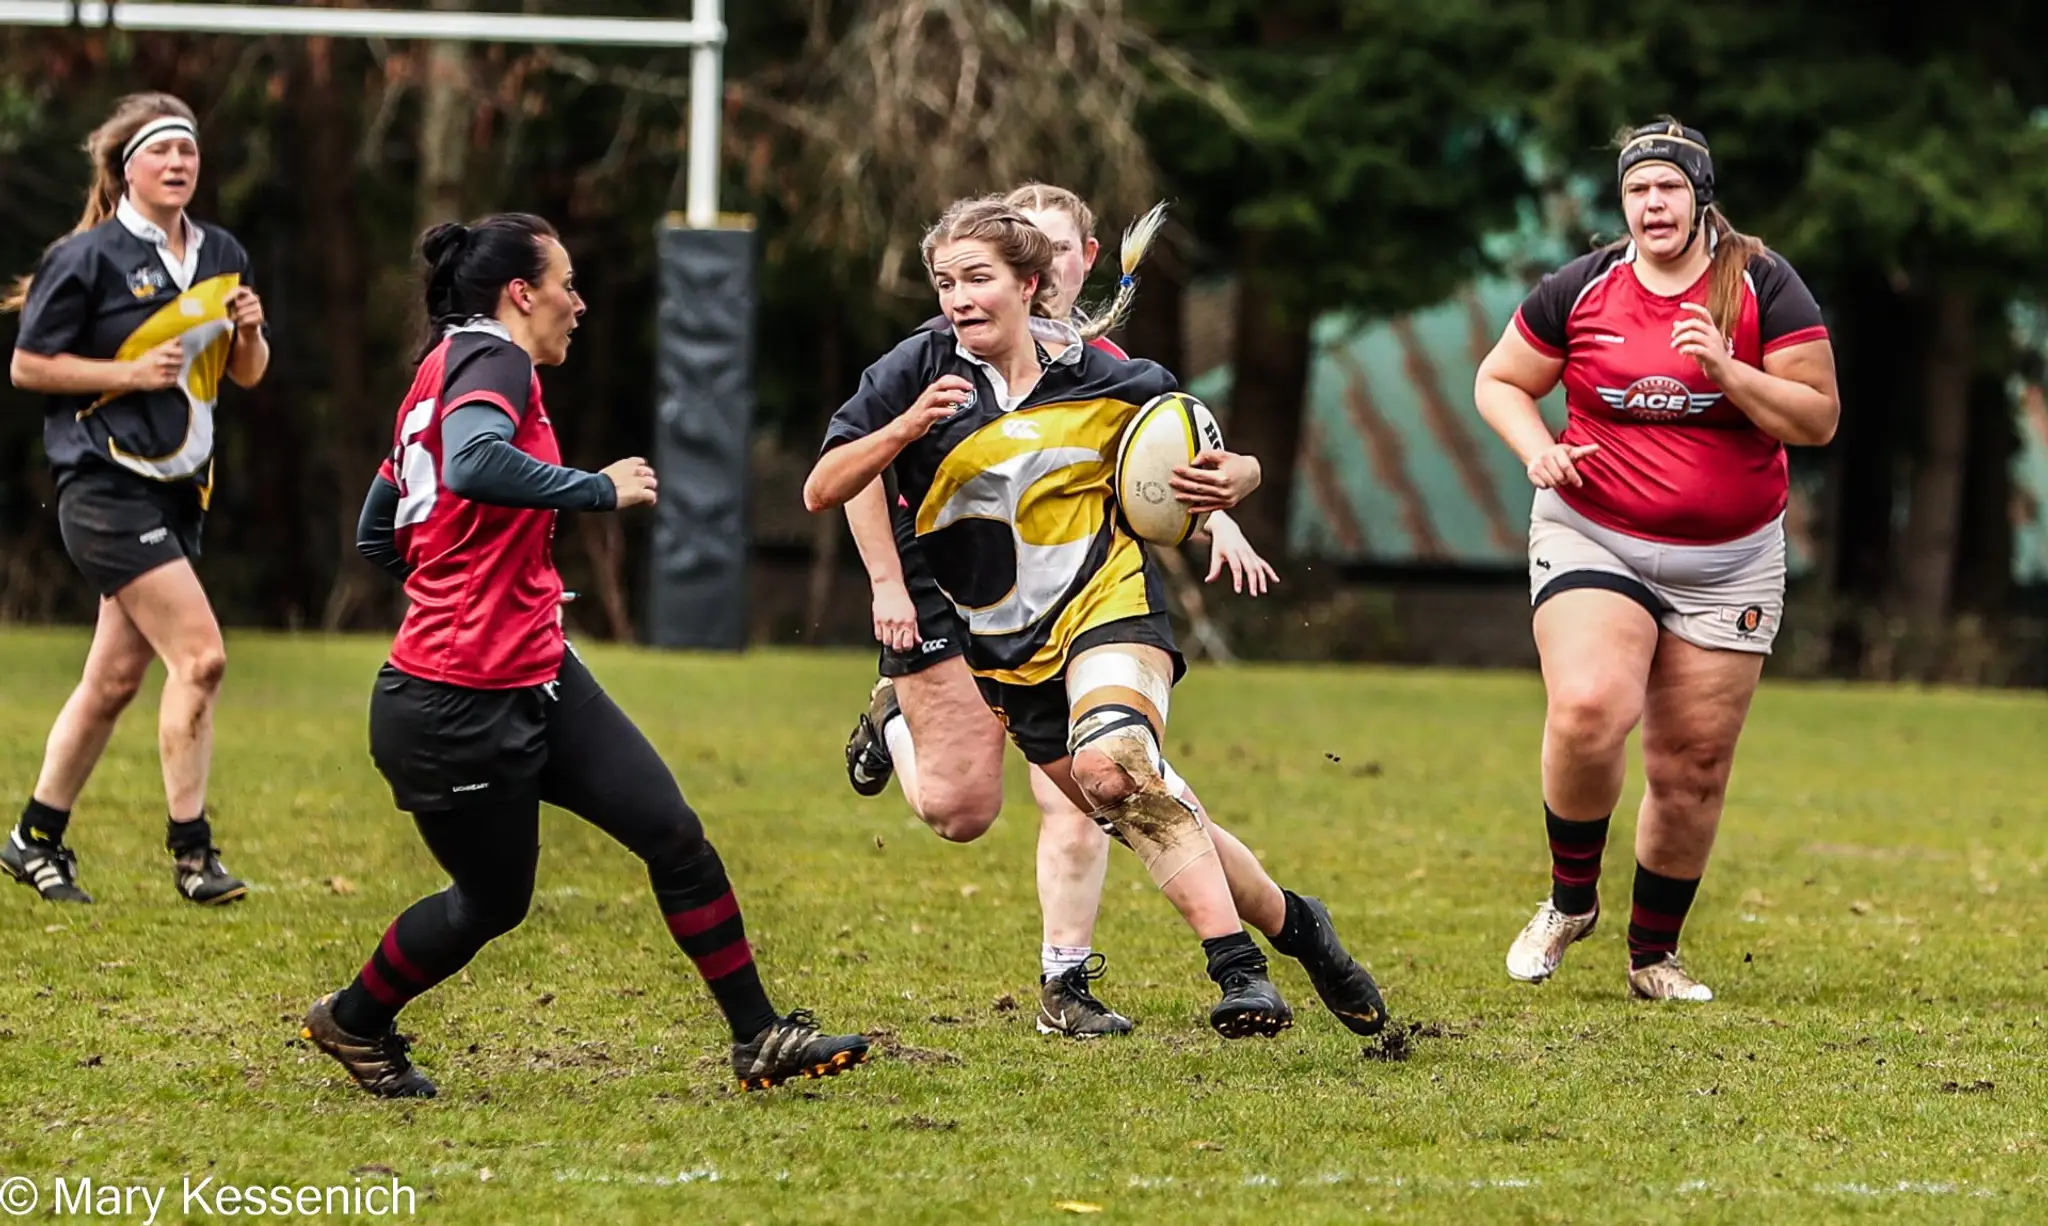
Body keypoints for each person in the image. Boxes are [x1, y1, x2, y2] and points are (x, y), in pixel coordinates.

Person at [301, 213, 870, 1098]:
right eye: (566, 284)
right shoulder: (494, 359)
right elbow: (473, 464)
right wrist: (595, 488)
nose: (580, 302)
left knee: (674, 836)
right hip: (456, 701)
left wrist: (498, 577)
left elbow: (384, 529)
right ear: (520, 294)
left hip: (538, 669)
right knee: (491, 903)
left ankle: (758, 1037)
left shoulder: (441, 368)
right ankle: (355, 1019)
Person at [806, 195, 1387, 1040]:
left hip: (1109, 609)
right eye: (945, 283)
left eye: (977, 280)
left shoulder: (1110, 377)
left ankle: (1238, 973)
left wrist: (1240, 485)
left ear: (1030, 283)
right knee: (1025, 804)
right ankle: (1303, 929)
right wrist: (901, 431)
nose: (959, 298)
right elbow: (824, 487)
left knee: (1112, 768)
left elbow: (1205, 453)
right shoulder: (915, 369)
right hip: (1001, 646)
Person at [1472, 119, 1838, 1002]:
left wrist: (1730, 372)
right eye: (1638, 190)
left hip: (1731, 559)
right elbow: (1500, 379)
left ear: (1701, 195)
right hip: (1593, 530)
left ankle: (1653, 957)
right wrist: (1535, 450)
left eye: (1669, 187)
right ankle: (1570, 902)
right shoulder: (1582, 287)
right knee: (1590, 706)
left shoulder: (1764, 286)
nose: (1652, 204)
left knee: (1693, 767)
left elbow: (1817, 418)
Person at [2, 92, 268, 906]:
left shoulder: (222, 251)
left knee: (114, 680)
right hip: (101, 484)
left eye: (189, 150)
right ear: (126, 168)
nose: (180, 163)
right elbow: (28, 366)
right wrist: (124, 374)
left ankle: (33, 839)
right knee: (202, 655)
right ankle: (193, 855)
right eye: (163, 152)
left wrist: (252, 332)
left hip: (179, 488)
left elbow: (247, 374)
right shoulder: (85, 258)